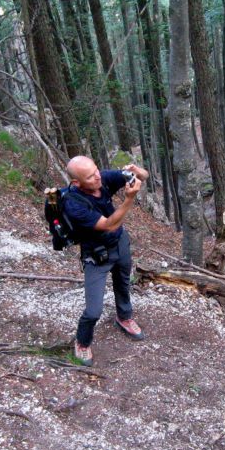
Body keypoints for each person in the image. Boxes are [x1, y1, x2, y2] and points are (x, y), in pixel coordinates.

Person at [63, 155, 149, 366]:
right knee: (94, 310)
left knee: (123, 282)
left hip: (120, 243)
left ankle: (124, 316)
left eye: (96, 170)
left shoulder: (102, 178)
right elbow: (109, 224)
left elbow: (144, 176)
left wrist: (137, 170)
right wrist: (129, 199)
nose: (97, 177)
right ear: (76, 183)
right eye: (90, 176)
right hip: (97, 255)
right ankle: (82, 342)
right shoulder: (73, 205)